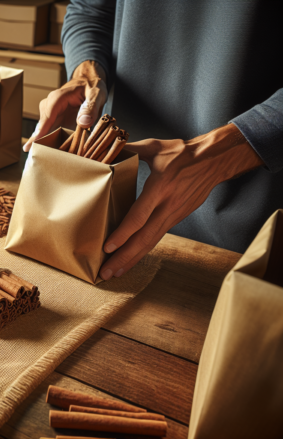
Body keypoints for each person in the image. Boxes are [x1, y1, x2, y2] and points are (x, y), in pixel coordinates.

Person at [23, 0, 283, 281]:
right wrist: (85, 71)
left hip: (235, 234)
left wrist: (221, 153)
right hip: (104, 201)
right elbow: (90, 10)